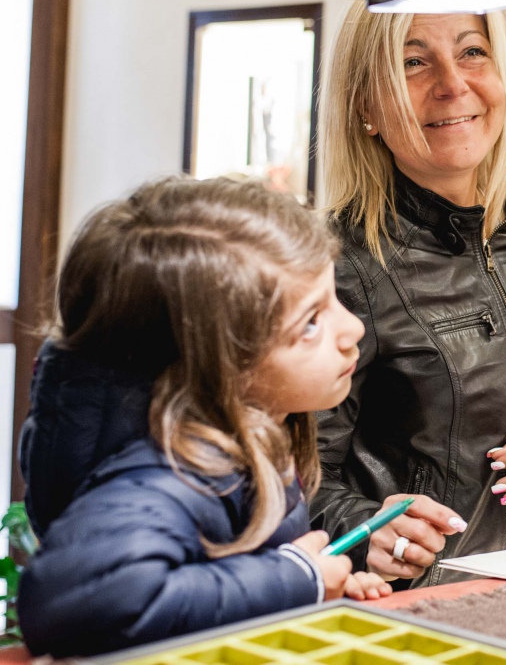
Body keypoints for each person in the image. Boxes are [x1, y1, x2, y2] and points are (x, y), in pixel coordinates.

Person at [16, 177, 465, 657]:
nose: (353, 328)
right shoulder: (169, 474)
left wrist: (314, 590)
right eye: (310, 322)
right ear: (219, 365)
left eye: (335, 299)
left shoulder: (246, 441)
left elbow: (215, 589)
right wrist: (295, 578)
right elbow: (80, 605)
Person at [313, 0, 506, 587]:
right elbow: (290, 477)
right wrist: (367, 529)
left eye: (472, 52)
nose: (452, 83)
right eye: (414, 62)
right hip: (407, 605)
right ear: (366, 106)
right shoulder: (338, 263)